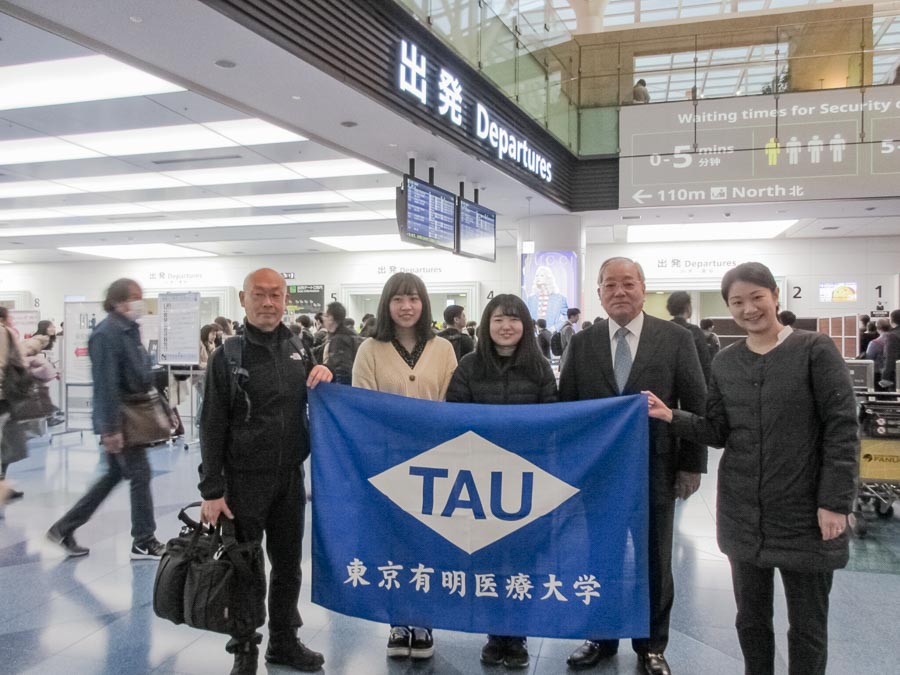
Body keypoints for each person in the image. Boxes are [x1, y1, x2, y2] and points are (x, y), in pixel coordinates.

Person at [645, 262, 858, 675]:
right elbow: (719, 430)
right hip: (743, 511)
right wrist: (671, 415)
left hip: (804, 511)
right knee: (751, 620)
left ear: (775, 296)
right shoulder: (726, 362)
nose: (749, 309)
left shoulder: (815, 350)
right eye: (737, 302)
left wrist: (834, 502)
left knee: (808, 626)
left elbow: (842, 429)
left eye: (756, 297)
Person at [560, 257, 706, 675]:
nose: (619, 292)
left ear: (643, 288)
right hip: (599, 473)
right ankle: (600, 637)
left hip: (656, 470)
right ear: (599, 293)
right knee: (598, 556)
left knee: (655, 560)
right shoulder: (582, 343)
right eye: (610, 285)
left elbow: (695, 404)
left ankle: (651, 645)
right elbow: (567, 406)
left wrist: (690, 466)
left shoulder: (675, 339)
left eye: (628, 284)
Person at [199, 268, 332, 675]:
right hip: (242, 482)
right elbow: (211, 424)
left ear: (286, 298)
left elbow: (315, 397)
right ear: (243, 299)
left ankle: (284, 642)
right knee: (245, 567)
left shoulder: (299, 345)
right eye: (260, 295)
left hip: (290, 478)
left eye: (276, 295)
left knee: (289, 565)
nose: (269, 303)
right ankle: (244, 648)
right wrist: (212, 490)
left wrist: (325, 375)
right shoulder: (229, 355)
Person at [446, 294, 556, 669]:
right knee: (488, 560)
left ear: (525, 325)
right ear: (487, 325)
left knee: (525, 561)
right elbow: (454, 416)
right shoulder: (469, 366)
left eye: (513, 319)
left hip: (527, 481)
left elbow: (553, 420)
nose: (505, 326)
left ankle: (518, 635)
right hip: (481, 482)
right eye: (497, 320)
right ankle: (495, 635)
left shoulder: (540, 369)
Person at [352, 272, 457, 661]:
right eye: (398, 299)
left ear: (423, 303)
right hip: (388, 464)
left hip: (435, 464)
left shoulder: (443, 348)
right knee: (392, 543)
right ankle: (398, 620)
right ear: (387, 304)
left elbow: (450, 401)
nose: (406, 306)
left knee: (428, 541)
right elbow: (363, 407)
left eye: (413, 298)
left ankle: (424, 619)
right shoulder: (370, 349)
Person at [47, 279, 165, 560]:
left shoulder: (128, 331)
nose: (140, 302)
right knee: (140, 475)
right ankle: (143, 540)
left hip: (129, 415)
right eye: (136, 297)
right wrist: (110, 429)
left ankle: (63, 528)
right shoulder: (106, 334)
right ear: (119, 301)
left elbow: (140, 372)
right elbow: (106, 385)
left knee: (113, 476)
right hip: (122, 420)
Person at [0, 332, 58, 498]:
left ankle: (3, 486)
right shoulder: (5, 334)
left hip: (6, 399)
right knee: (6, 445)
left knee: (7, 444)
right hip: (5, 398)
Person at [667, 291, 712, 382]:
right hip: (690, 383)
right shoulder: (694, 332)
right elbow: (705, 363)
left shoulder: (663, 329)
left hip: (668, 385)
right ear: (688, 307)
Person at [321, 301, 363, 385]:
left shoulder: (339, 340)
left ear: (331, 319)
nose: (323, 319)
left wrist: (339, 391)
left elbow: (342, 371)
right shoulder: (351, 334)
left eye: (326, 316)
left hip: (343, 389)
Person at [525, 265, 569, 332]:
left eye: (542, 275)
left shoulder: (560, 299)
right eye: (537, 275)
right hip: (534, 335)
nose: (538, 278)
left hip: (552, 335)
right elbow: (526, 316)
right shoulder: (530, 299)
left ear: (548, 278)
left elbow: (566, 316)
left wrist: (555, 327)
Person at [866, 318, 892, 386]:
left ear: (877, 328)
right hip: (894, 372)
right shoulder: (896, 341)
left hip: (877, 374)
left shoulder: (874, 343)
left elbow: (869, 359)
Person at [879, 308, 900, 389]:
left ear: (891, 321)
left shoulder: (892, 336)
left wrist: (885, 377)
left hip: (897, 375)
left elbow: (890, 357)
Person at [557, 306, 580, 372]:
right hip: (567, 355)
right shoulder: (568, 328)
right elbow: (571, 343)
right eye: (577, 316)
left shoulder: (563, 326)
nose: (578, 318)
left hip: (564, 354)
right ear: (572, 316)